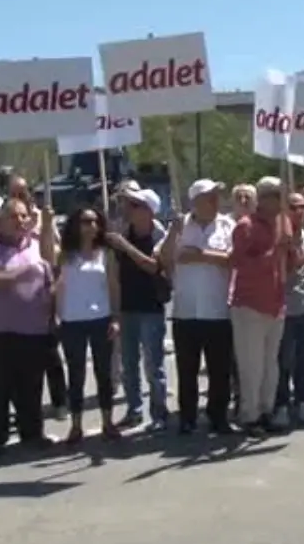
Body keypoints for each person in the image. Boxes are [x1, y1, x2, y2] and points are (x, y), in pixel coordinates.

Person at [0, 198, 57, 455]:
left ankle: (32, 434)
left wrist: (53, 314)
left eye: (24, 216)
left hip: (32, 330)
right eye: (14, 216)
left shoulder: (37, 247)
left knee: (30, 387)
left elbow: (51, 281)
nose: (20, 221)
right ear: (0, 220)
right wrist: (22, 273)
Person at [160, 179, 236, 435]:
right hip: (186, 311)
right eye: (210, 197)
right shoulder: (181, 227)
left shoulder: (227, 225)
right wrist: (173, 234)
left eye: (217, 196)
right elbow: (164, 258)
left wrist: (200, 255)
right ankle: (188, 417)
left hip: (217, 310)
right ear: (196, 202)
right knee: (187, 370)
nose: (216, 201)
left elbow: (233, 259)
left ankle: (218, 416)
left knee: (219, 370)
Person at [56, 205, 122, 444]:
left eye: (95, 222)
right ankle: (76, 425)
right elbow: (54, 281)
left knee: (104, 373)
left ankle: (107, 421)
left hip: (100, 318)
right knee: (76, 375)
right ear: (76, 224)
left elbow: (114, 286)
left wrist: (115, 318)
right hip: (72, 320)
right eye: (85, 221)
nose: (91, 226)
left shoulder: (106, 253)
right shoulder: (65, 254)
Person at [106, 186, 170, 431]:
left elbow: (154, 266)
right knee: (129, 364)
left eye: (134, 205)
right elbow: (115, 274)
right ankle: (134, 410)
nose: (128, 210)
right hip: (127, 307)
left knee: (154, 364)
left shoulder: (159, 234)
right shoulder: (123, 232)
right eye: (128, 205)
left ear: (148, 211)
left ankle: (159, 412)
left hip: (151, 307)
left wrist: (126, 247)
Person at [230, 177, 290, 437]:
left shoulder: (282, 224)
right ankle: (249, 415)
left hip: (275, 303)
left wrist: (293, 246)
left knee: (270, 366)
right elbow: (242, 265)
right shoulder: (245, 227)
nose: (282, 201)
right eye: (278, 195)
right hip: (250, 305)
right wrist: (275, 252)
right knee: (251, 366)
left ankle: (266, 411)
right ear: (265, 198)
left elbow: (289, 261)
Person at [6, 174, 68, 420]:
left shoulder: (44, 217)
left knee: (50, 351)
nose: (20, 197)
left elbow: (56, 249)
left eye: (23, 192)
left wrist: (42, 229)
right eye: (14, 193)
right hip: (17, 294)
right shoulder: (8, 219)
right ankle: (24, 408)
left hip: (44, 287)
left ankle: (60, 401)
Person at [274, 192, 304, 427]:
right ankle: (281, 405)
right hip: (286, 308)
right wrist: (302, 258)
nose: (300, 211)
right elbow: (282, 275)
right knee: (284, 360)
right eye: (294, 207)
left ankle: (303, 402)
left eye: (303, 207)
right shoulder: (280, 240)